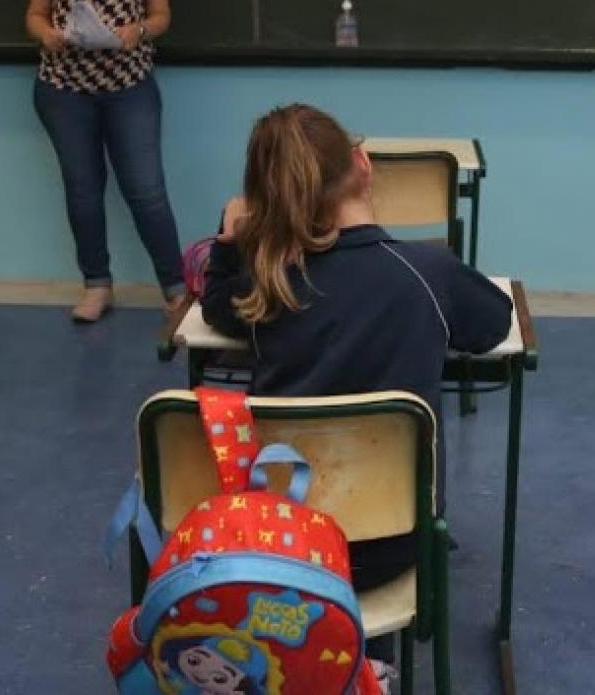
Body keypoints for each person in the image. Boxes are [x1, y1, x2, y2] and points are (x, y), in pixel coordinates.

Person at [198, 103, 512, 593]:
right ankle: (377, 659)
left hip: (282, 544)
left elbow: (215, 303)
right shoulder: (428, 273)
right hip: (396, 541)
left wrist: (231, 241)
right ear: (363, 165)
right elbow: (494, 324)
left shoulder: (267, 289)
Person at [25, 0, 186, 324]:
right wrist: (48, 34)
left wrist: (137, 31)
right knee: (82, 189)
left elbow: (162, 15)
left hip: (128, 85)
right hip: (63, 88)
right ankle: (96, 285)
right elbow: (34, 14)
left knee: (146, 190)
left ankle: (176, 291)